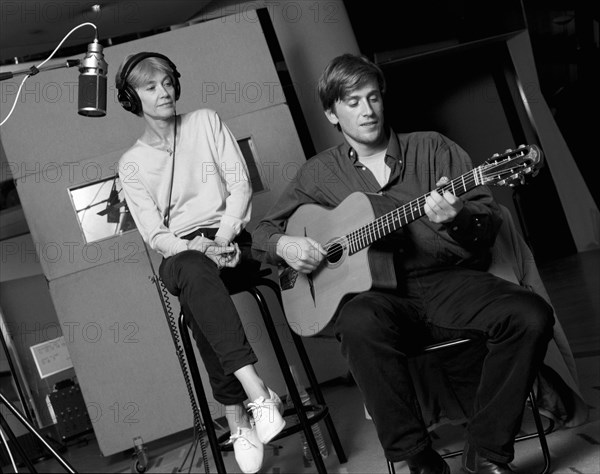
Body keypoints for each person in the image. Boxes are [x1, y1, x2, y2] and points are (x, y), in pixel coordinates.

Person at [251, 53, 555, 474]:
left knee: (531, 314)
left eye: (373, 97)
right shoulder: (318, 173)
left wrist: (459, 218)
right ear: (331, 113)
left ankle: (486, 450)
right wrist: (285, 246)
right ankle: (418, 457)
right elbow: (262, 232)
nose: (367, 110)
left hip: (449, 282)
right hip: (379, 299)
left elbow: (486, 227)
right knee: (358, 323)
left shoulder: (432, 147)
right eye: (353, 101)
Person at [115, 52, 285, 474]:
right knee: (193, 269)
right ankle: (258, 391)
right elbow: (156, 235)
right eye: (151, 86)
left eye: (168, 81)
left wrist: (225, 236)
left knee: (197, 305)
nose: (165, 91)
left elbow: (239, 181)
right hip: (181, 254)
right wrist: (198, 248)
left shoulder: (206, 121)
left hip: (229, 239)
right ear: (131, 98)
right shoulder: (131, 164)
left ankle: (235, 416)